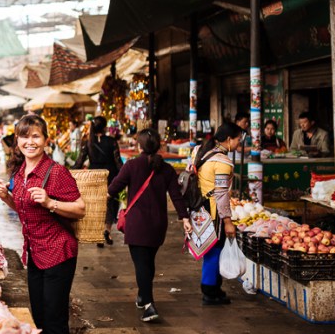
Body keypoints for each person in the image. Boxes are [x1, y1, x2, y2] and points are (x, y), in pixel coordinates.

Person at [0, 114, 85, 334]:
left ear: (45, 140)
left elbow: (80, 209)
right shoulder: (20, 173)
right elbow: (24, 211)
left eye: (35, 136)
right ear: (17, 141)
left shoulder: (55, 172)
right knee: (40, 318)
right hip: (34, 254)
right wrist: (6, 197)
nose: (29, 142)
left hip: (58, 252)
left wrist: (50, 202)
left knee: (55, 323)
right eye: (24, 136)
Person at [107, 129, 191, 322]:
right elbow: (176, 196)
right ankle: (142, 296)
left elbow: (113, 189)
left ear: (139, 146)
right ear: (160, 145)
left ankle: (149, 305)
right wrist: (184, 218)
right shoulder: (167, 169)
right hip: (158, 224)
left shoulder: (131, 166)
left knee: (141, 264)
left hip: (137, 224)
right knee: (148, 262)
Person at [194, 122, 243, 305]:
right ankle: (209, 291)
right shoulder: (222, 162)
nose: (239, 143)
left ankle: (213, 288)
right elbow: (221, 194)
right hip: (214, 212)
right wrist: (228, 221)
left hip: (201, 208)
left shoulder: (201, 151)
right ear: (229, 139)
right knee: (214, 250)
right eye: (238, 139)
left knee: (210, 249)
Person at [75, 116, 124, 246]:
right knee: (110, 204)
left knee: (97, 206)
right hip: (110, 175)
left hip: (94, 176)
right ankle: (107, 230)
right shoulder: (112, 141)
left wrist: (69, 171)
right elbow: (118, 161)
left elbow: (79, 162)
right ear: (105, 127)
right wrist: (125, 176)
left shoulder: (88, 142)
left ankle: (98, 234)